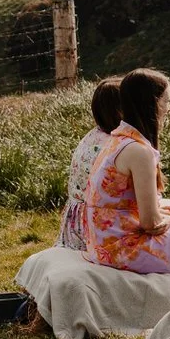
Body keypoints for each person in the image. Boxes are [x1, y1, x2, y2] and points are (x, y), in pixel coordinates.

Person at [83, 68, 170, 276]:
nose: (169, 108)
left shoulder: (118, 138)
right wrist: (167, 220)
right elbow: (150, 223)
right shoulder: (138, 151)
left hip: (101, 243)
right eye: (166, 101)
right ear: (152, 104)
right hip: (121, 249)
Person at [55, 77, 121, 252]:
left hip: (74, 223)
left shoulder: (93, 136)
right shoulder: (115, 146)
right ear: (121, 111)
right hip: (93, 225)